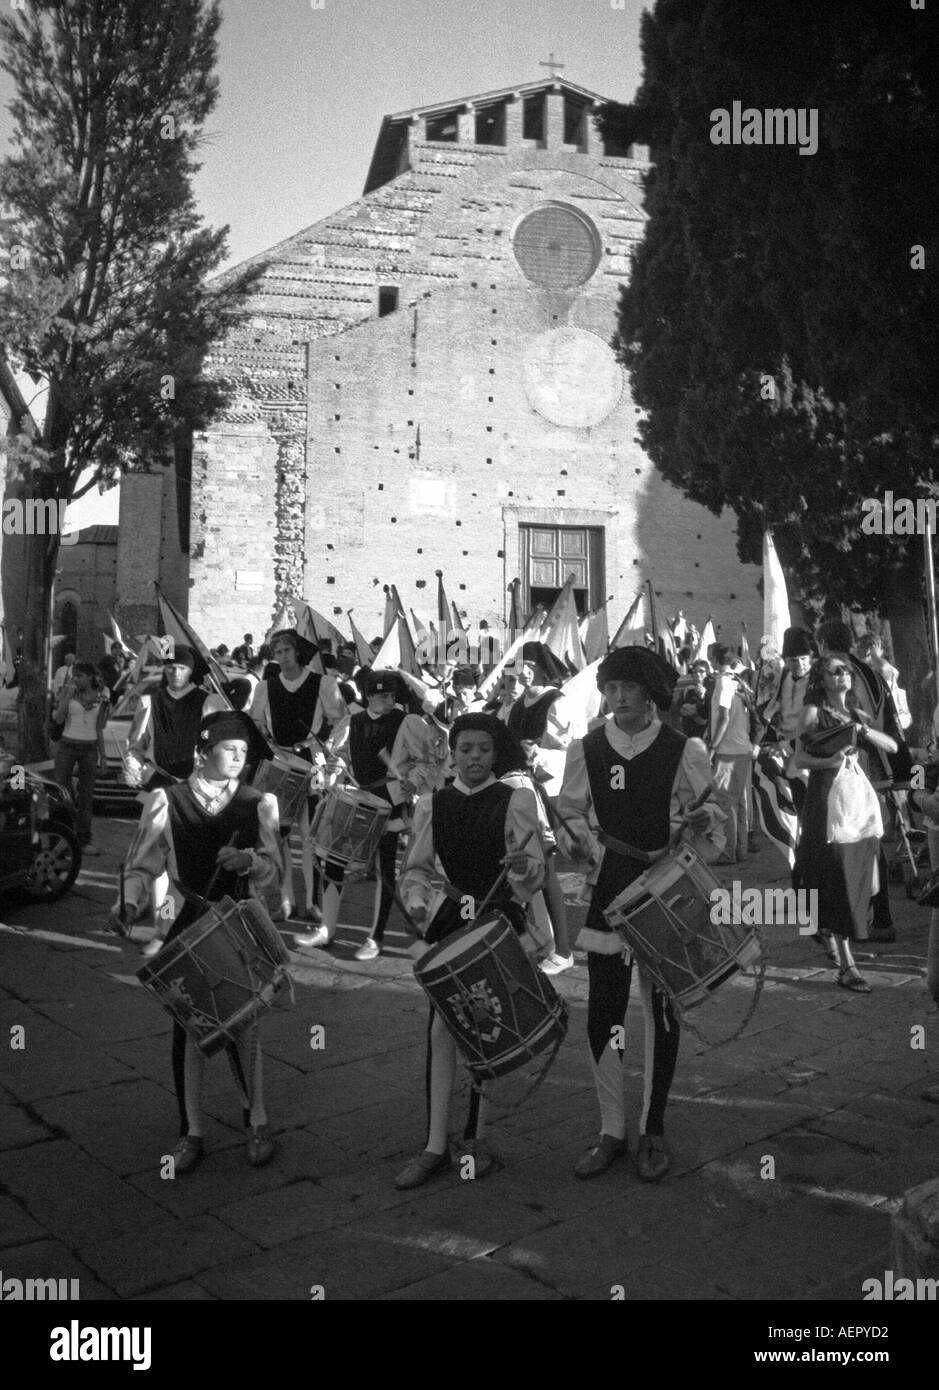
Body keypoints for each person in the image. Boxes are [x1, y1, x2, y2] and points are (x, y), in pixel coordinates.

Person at [558, 646, 722, 1183]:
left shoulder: (684, 748)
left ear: (650, 692)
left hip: (665, 890)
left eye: (628, 688)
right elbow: (571, 812)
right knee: (603, 1009)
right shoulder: (586, 748)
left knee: (662, 1009)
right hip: (610, 887)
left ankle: (653, 1127)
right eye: (610, 688)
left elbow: (715, 816)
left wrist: (702, 818)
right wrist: (577, 839)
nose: (617, 698)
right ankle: (611, 1129)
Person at [109, 711, 281, 1172]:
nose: (239, 760)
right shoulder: (167, 799)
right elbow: (143, 862)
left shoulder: (258, 802)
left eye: (244, 752)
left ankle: (257, 1119)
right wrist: (129, 903)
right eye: (230, 750)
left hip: (240, 919)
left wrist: (248, 860)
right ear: (203, 753)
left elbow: (275, 868)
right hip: (191, 919)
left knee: (246, 1025)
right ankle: (192, 1130)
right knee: (189, 1023)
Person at [396, 713, 546, 1188]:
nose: (475, 757)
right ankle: (436, 1143)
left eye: (483, 749)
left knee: (483, 1028)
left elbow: (534, 875)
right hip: (452, 920)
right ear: (452, 753)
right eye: (465, 749)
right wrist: (418, 902)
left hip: (499, 922)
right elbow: (416, 869)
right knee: (443, 1026)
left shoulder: (517, 799)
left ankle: (474, 1139)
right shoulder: (432, 805)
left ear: (495, 753)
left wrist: (522, 868)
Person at [792, 654, 897, 993]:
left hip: (855, 799)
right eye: (834, 671)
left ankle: (829, 930)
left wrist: (863, 730)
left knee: (866, 876)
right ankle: (848, 965)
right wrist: (830, 758)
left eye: (846, 670)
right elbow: (799, 758)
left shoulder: (857, 715)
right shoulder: (812, 713)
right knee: (836, 873)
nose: (842, 675)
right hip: (824, 798)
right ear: (821, 679)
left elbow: (892, 745)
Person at [294, 669, 407, 958]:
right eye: (383, 695)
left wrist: (410, 782)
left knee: (385, 867)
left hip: (389, 802)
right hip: (357, 799)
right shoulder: (352, 722)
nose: (389, 700)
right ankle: (326, 928)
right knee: (332, 858)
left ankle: (375, 937)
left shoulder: (406, 722)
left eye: (393, 695)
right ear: (368, 696)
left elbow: (427, 762)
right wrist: (334, 769)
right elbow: (339, 758)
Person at [815, 619, 911, 942]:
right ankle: (880, 917)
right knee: (871, 842)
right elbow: (889, 721)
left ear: (825, 644)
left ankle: (851, 920)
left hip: (850, 766)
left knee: (845, 845)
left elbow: (844, 722)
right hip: (876, 766)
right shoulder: (869, 671)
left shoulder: (835, 671)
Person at [128, 645, 227, 957]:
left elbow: (217, 744)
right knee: (157, 862)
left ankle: (185, 926)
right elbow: (135, 747)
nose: (174, 672)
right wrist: (140, 771)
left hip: (193, 790)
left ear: (190, 670)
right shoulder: (150, 701)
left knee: (187, 867)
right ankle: (163, 929)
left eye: (181, 667)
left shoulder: (206, 702)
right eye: (169, 667)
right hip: (159, 787)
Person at [250, 628, 347, 924]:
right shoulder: (266, 687)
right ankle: (285, 898)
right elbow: (256, 722)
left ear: (298, 653)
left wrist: (330, 747)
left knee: (312, 833)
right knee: (280, 834)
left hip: (313, 762)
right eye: (277, 653)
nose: (282, 657)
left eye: (287, 651)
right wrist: (266, 740)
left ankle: (312, 901)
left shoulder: (323, 683)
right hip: (280, 761)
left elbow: (341, 719)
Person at [506, 641, 575, 972]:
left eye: (526, 668)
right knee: (523, 865)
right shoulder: (517, 704)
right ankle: (541, 940)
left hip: (545, 790)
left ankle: (563, 950)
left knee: (546, 867)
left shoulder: (557, 703)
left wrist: (540, 755)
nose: (520, 674)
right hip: (518, 790)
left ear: (537, 669)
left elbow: (570, 753)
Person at [52, 661, 109, 856]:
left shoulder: (101, 696)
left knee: (86, 795)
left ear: (91, 677)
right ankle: (64, 835)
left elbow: (100, 728)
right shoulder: (69, 693)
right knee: (61, 789)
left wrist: (104, 756)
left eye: (80, 676)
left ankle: (84, 839)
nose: (76, 679)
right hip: (68, 744)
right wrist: (67, 696)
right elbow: (58, 719)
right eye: (74, 675)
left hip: (90, 748)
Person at [708, 644, 754, 864]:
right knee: (740, 804)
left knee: (726, 803)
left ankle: (728, 853)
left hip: (729, 749)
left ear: (715, 660)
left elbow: (723, 717)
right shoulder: (738, 682)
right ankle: (741, 851)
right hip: (743, 748)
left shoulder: (724, 682)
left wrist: (713, 746)